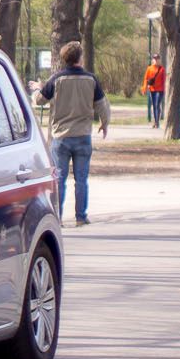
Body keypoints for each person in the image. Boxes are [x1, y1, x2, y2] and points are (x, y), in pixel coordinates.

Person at [38, 40, 110, 226]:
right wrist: (105, 123)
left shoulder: (56, 79)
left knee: (60, 179)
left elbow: (40, 100)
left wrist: (38, 89)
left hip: (60, 136)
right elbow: (102, 105)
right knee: (81, 179)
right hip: (83, 135)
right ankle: (80, 216)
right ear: (80, 57)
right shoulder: (91, 79)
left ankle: (58, 218)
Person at [142, 57, 167, 127]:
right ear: (153, 60)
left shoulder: (162, 69)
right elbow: (146, 79)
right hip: (152, 90)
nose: (156, 60)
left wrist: (165, 89)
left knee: (157, 104)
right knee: (154, 105)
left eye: (157, 59)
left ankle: (156, 122)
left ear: (159, 60)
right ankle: (155, 121)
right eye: (155, 59)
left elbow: (164, 80)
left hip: (160, 90)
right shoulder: (149, 69)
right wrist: (144, 88)